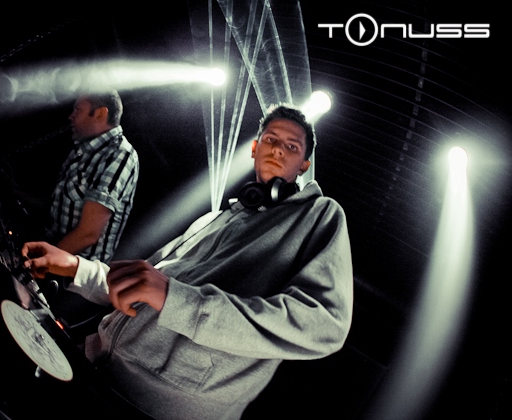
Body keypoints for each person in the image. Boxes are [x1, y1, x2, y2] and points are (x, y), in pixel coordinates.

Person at [23, 104, 353, 420]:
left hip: (154, 408)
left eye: (292, 146)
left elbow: (323, 324)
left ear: (304, 165)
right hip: (92, 363)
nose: (278, 149)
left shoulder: (320, 214)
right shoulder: (215, 218)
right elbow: (144, 282)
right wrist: (74, 266)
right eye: (271, 139)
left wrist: (178, 300)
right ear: (254, 148)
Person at [45, 90, 139, 262]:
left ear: (100, 114)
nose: (71, 116)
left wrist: (42, 261)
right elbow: (57, 205)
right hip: (54, 253)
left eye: (78, 110)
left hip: (70, 272)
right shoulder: (83, 148)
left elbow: (88, 234)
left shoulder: (120, 154)